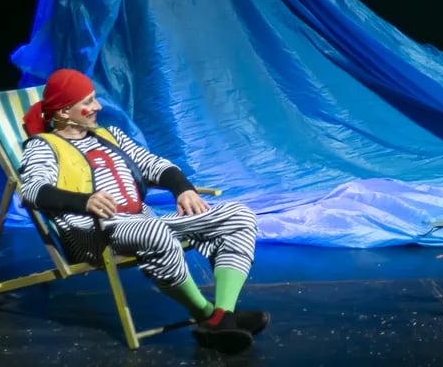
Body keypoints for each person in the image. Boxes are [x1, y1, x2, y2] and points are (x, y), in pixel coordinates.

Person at [18, 68, 267, 353]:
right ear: (63, 112)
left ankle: (222, 317)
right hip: (96, 233)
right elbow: (32, 190)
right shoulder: (43, 146)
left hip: (141, 222)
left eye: (95, 98)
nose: (97, 107)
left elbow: (154, 164)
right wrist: (84, 201)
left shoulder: (109, 135)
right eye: (88, 102)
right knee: (156, 230)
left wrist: (182, 188)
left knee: (239, 215)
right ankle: (206, 313)